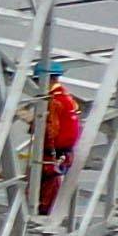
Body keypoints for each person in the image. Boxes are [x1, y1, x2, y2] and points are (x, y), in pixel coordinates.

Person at [33, 66, 87, 216]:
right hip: (64, 153)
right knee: (51, 185)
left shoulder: (53, 101)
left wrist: (34, 124)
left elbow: (51, 129)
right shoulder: (67, 98)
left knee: (41, 190)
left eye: (37, 80)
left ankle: (39, 214)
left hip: (52, 154)